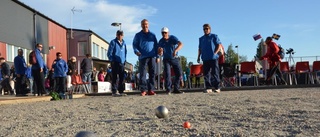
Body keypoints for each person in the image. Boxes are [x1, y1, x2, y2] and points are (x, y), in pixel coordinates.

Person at [132, 19, 159, 96]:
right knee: (143, 74)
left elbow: (156, 46)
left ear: (148, 25)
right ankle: (143, 90)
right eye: (143, 24)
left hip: (152, 56)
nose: (145, 25)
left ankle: (151, 89)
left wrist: (157, 56)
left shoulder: (152, 35)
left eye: (146, 24)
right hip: (142, 57)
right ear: (141, 25)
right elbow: (135, 45)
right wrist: (136, 51)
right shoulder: (138, 35)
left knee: (152, 74)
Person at [158, 27, 184, 94]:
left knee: (179, 73)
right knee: (167, 74)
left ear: (168, 33)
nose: (164, 34)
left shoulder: (173, 38)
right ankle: (168, 89)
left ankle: (176, 88)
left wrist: (176, 50)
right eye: (163, 33)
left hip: (174, 58)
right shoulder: (161, 41)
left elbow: (181, 44)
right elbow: (159, 51)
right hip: (166, 59)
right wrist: (160, 52)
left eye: (165, 33)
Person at [197, 24, 222, 93]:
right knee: (206, 73)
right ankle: (208, 87)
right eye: (204, 29)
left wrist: (215, 52)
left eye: (207, 29)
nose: (205, 30)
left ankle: (217, 87)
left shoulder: (214, 36)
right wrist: (198, 56)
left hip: (213, 58)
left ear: (210, 29)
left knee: (215, 72)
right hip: (205, 58)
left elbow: (219, 45)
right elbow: (200, 48)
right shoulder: (201, 39)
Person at [107, 30, 127, 96]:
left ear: (123, 35)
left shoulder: (124, 43)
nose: (120, 36)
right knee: (114, 77)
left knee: (122, 77)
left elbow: (125, 52)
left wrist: (124, 60)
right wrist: (112, 60)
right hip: (115, 61)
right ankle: (114, 91)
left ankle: (121, 90)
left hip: (122, 62)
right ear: (116, 35)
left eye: (121, 35)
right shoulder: (113, 42)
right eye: (118, 34)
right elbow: (109, 52)